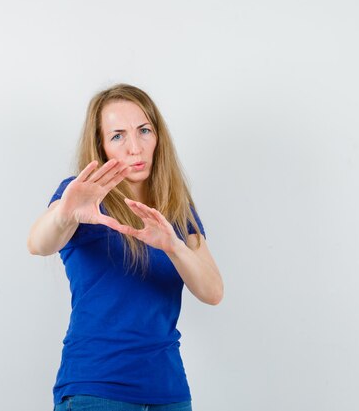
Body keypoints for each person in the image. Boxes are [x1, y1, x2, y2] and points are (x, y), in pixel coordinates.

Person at [27, 83, 223, 411]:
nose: (135, 147)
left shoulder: (176, 207)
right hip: (96, 387)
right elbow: (38, 243)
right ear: (101, 146)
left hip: (168, 391)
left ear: (158, 136)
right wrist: (65, 214)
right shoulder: (81, 196)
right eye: (118, 135)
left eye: (144, 130)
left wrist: (174, 246)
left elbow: (213, 290)